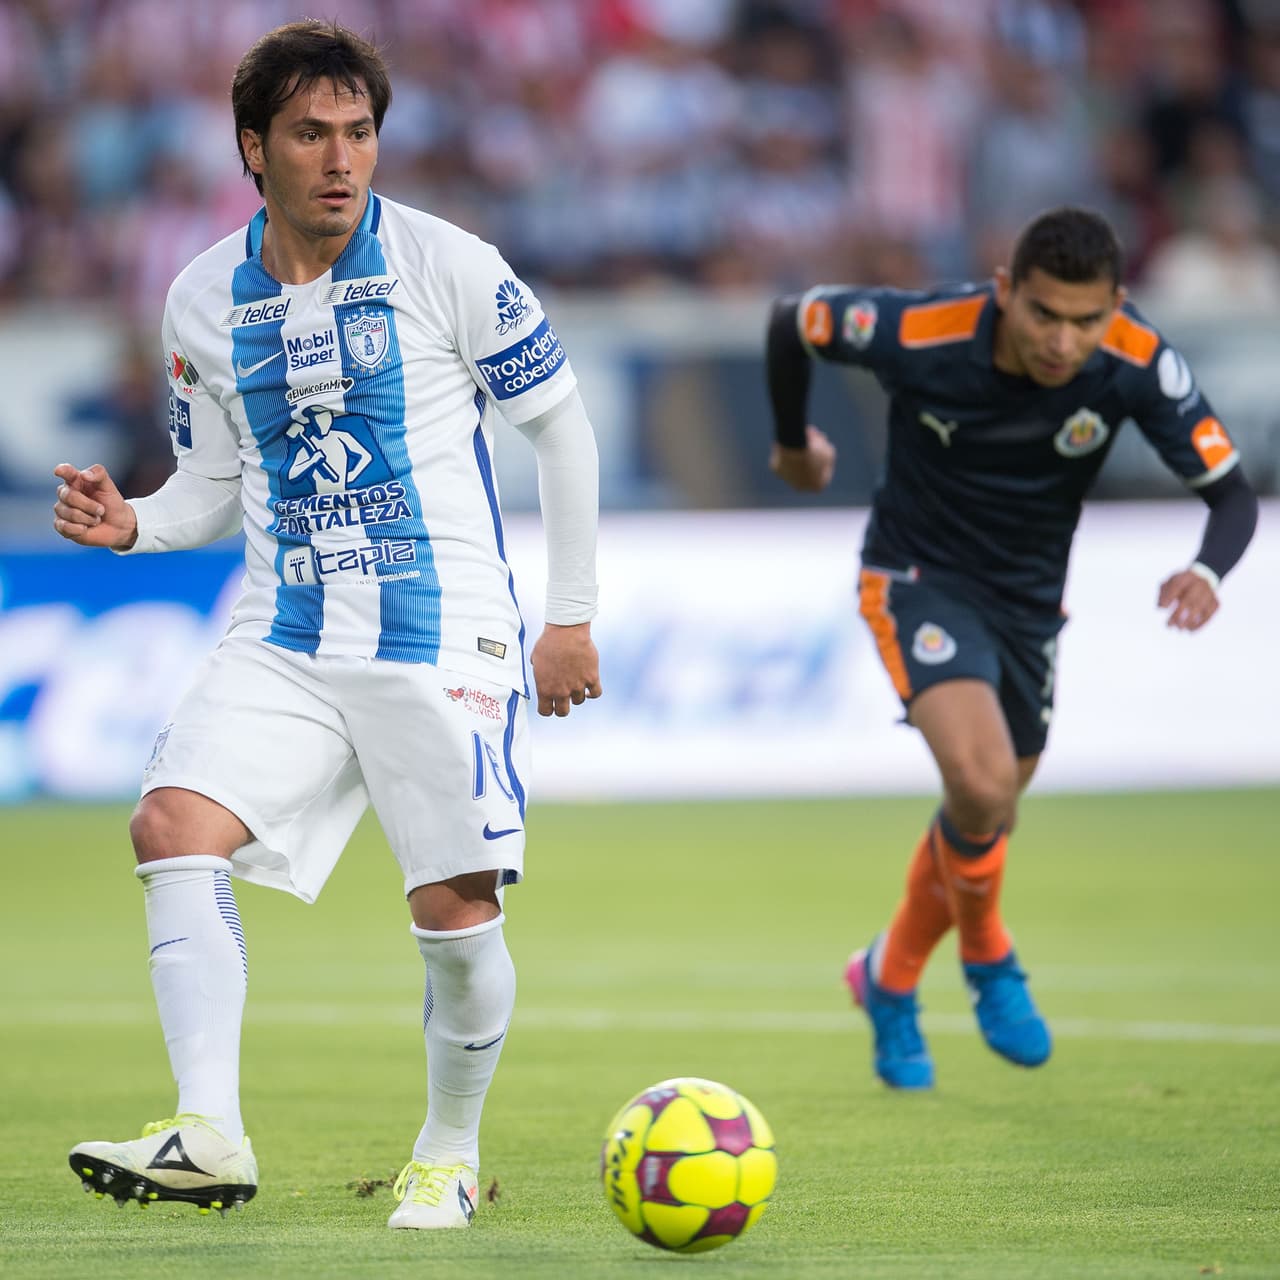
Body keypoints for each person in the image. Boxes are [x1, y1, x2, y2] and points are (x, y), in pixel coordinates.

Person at [53, 21, 602, 1228]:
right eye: (310, 133)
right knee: (171, 821)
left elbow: (561, 427)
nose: (340, 158)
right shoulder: (201, 299)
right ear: (254, 147)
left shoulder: (448, 262)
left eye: (358, 131)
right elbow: (208, 485)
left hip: (438, 624)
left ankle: (448, 1149)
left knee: (455, 917)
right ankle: (208, 1132)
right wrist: (131, 524)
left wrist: (567, 618)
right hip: (287, 626)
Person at [764, 206, 1257, 1090]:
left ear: (1117, 304)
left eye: (1086, 320)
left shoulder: (1139, 361)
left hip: (1030, 607)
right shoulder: (922, 331)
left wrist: (1208, 573)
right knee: (985, 784)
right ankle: (990, 957)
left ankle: (888, 977)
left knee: (984, 810)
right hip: (915, 575)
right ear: (1005, 292)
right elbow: (792, 320)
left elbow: (1232, 498)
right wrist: (794, 443)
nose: (1064, 342)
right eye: (1043, 315)